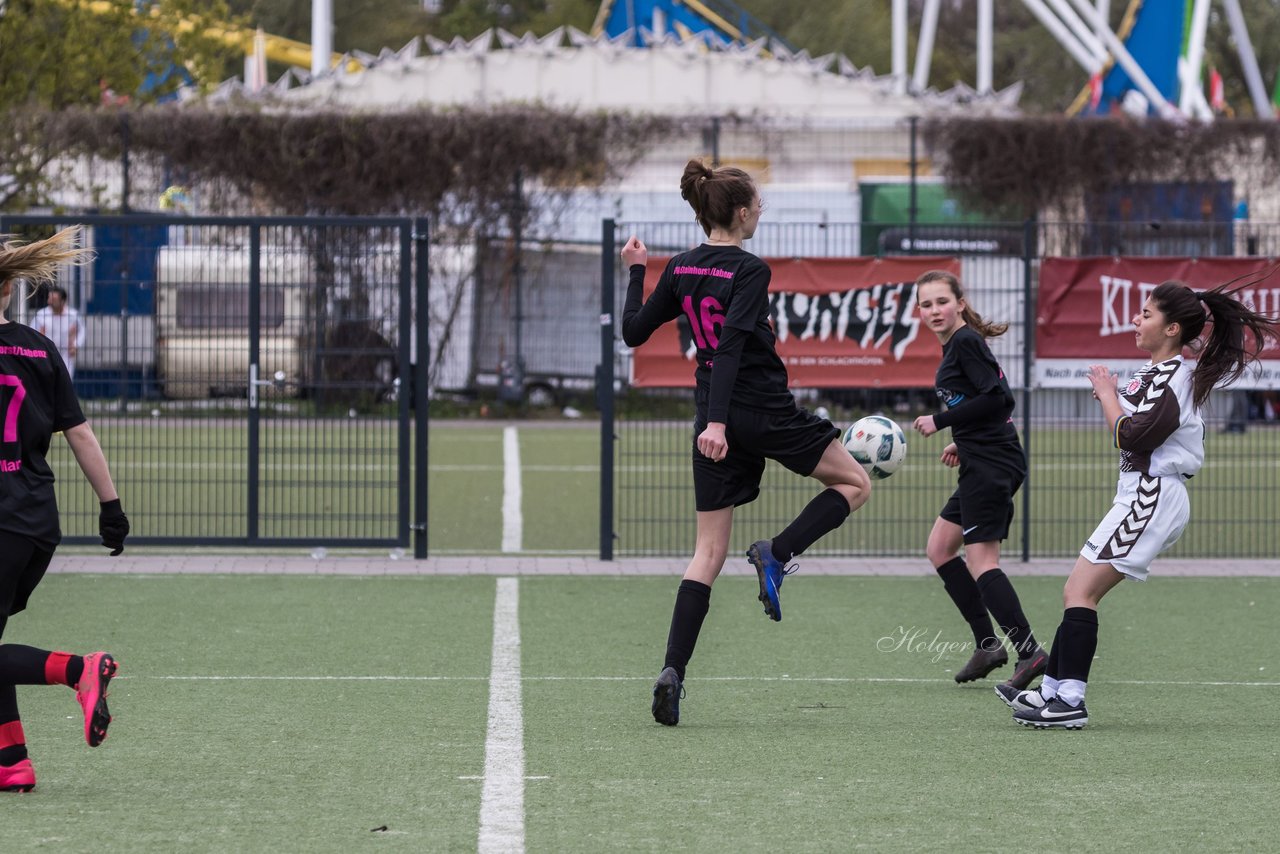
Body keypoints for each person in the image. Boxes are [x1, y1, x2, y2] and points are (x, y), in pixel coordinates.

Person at [621, 160, 871, 726]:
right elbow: (732, 345)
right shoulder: (749, 269)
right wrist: (720, 423)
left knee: (705, 555)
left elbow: (632, 332)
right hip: (758, 411)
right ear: (739, 212)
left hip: (714, 416)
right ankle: (777, 553)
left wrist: (637, 271)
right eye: (757, 204)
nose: (762, 211)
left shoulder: (682, 267)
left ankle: (672, 672)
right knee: (855, 482)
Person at [1001, 278, 1279, 729]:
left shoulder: (1175, 378)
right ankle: (1050, 691)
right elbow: (1133, 420)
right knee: (1076, 590)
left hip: (1152, 494)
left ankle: (1070, 699)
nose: (1136, 319)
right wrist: (1114, 396)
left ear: (1172, 329)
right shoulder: (1155, 374)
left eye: (1146, 314)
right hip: (1139, 493)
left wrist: (1109, 396)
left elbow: (1130, 435)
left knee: (1082, 592)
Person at [0, 227, 130, 792]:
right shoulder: (39, 349)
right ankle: (12, 764)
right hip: (33, 524)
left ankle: (79, 670)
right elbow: (81, 435)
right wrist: (111, 507)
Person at [912, 271, 1047, 691]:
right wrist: (963, 443)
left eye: (941, 302)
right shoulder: (957, 345)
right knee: (939, 548)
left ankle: (1029, 652)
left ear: (960, 303)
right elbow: (984, 405)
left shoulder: (966, 341)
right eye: (926, 304)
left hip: (993, 464)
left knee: (981, 562)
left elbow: (999, 399)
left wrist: (942, 421)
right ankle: (987, 645)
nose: (934, 311)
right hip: (981, 457)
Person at [33, 286, 84, 380]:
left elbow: (81, 332)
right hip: (46, 353)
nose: (50, 301)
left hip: (66, 353)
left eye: (54, 299)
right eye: (49, 298)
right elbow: (33, 332)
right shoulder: (41, 314)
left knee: (66, 380)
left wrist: (75, 345)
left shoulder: (73, 315)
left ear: (63, 301)